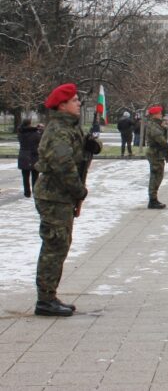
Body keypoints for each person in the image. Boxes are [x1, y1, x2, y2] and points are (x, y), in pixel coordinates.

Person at [33, 83, 101, 316]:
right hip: (54, 196)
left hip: (60, 196)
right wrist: (79, 191)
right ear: (62, 105)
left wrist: (93, 146)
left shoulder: (70, 128)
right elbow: (64, 166)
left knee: (60, 245)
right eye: (74, 100)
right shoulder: (58, 131)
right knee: (54, 246)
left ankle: (49, 296)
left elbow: (80, 152)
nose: (78, 103)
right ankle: (45, 300)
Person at [145, 105, 168, 209]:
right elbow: (160, 139)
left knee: (158, 175)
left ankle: (154, 198)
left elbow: (162, 136)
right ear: (154, 115)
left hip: (157, 153)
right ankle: (152, 200)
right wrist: (166, 145)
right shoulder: (153, 126)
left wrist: (165, 129)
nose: (161, 115)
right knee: (156, 176)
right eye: (159, 113)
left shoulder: (156, 125)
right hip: (155, 153)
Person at [18, 119, 43, 198]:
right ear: (30, 124)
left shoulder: (20, 134)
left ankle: (27, 192)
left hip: (23, 157)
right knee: (35, 176)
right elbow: (41, 140)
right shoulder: (35, 134)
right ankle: (35, 192)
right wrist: (40, 129)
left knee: (25, 176)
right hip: (34, 156)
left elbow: (21, 130)